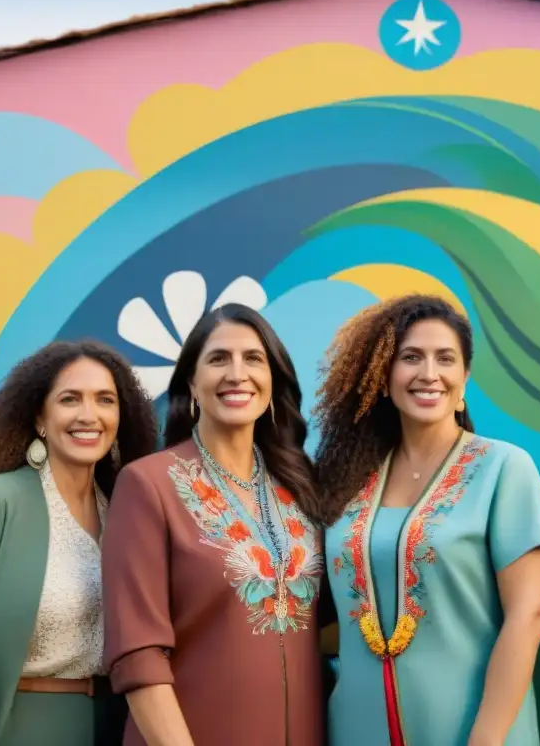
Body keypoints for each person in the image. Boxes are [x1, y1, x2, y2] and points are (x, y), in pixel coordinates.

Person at [315, 293, 540, 746]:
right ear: (384, 379)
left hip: (473, 730)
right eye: (410, 358)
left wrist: (486, 739)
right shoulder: (348, 482)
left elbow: (530, 615)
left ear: (464, 379)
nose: (429, 374)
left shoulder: (503, 468)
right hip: (356, 729)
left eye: (445, 359)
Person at [101, 303, 328, 746]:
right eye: (219, 359)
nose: (237, 374)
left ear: (272, 381)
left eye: (253, 359)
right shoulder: (148, 484)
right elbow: (138, 652)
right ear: (192, 382)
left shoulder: (301, 486)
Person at [0, 340, 158, 746]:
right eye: (69, 399)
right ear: (40, 417)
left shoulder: (133, 514)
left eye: (105, 400)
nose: (88, 415)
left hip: (121, 730)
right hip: (20, 730)